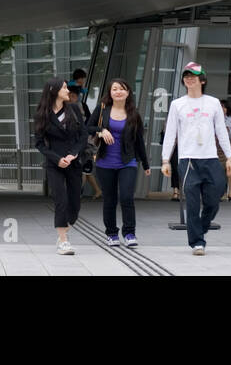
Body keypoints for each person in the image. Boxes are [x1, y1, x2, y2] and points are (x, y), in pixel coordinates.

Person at [161, 62, 231, 255]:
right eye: (186, 75)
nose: (189, 78)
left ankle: (200, 227)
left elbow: (221, 131)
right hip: (188, 160)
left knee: (214, 200)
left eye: (193, 75)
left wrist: (229, 157)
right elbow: (170, 133)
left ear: (202, 79)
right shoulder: (177, 104)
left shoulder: (213, 103)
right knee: (192, 203)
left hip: (210, 159)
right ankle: (197, 242)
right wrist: (165, 160)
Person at [90, 78, 151, 247]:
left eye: (122, 89)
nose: (118, 91)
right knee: (109, 199)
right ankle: (111, 233)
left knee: (126, 197)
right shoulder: (102, 110)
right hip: (104, 162)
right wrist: (101, 130)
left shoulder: (134, 114)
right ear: (110, 92)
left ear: (128, 92)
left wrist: (145, 164)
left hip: (127, 161)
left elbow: (139, 140)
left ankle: (130, 233)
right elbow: (87, 127)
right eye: (114, 89)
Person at [34, 78, 88, 255]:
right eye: (64, 87)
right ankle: (64, 241)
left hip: (73, 162)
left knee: (74, 206)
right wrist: (57, 159)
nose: (68, 90)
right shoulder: (43, 113)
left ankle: (63, 230)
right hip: (54, 163)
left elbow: (83, 136)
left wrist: (74, 154)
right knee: (60, 200)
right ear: (54, 90)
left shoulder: (73, 109)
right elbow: (40, 144)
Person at [70, 71, 102, 200]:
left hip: (80, 141)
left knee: (83, 168)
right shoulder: (77, 103)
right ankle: (81, 192)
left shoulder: (76, 105)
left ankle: (78, 193)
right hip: (81, 140)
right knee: (83, 168)